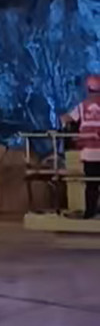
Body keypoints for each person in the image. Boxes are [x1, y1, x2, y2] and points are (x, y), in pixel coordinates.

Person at [66, 74, 100, 218]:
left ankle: (90, 212)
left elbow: (67, 119)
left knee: (91, 185)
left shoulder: (82, 106)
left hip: (89, 152)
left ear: (87, 89)